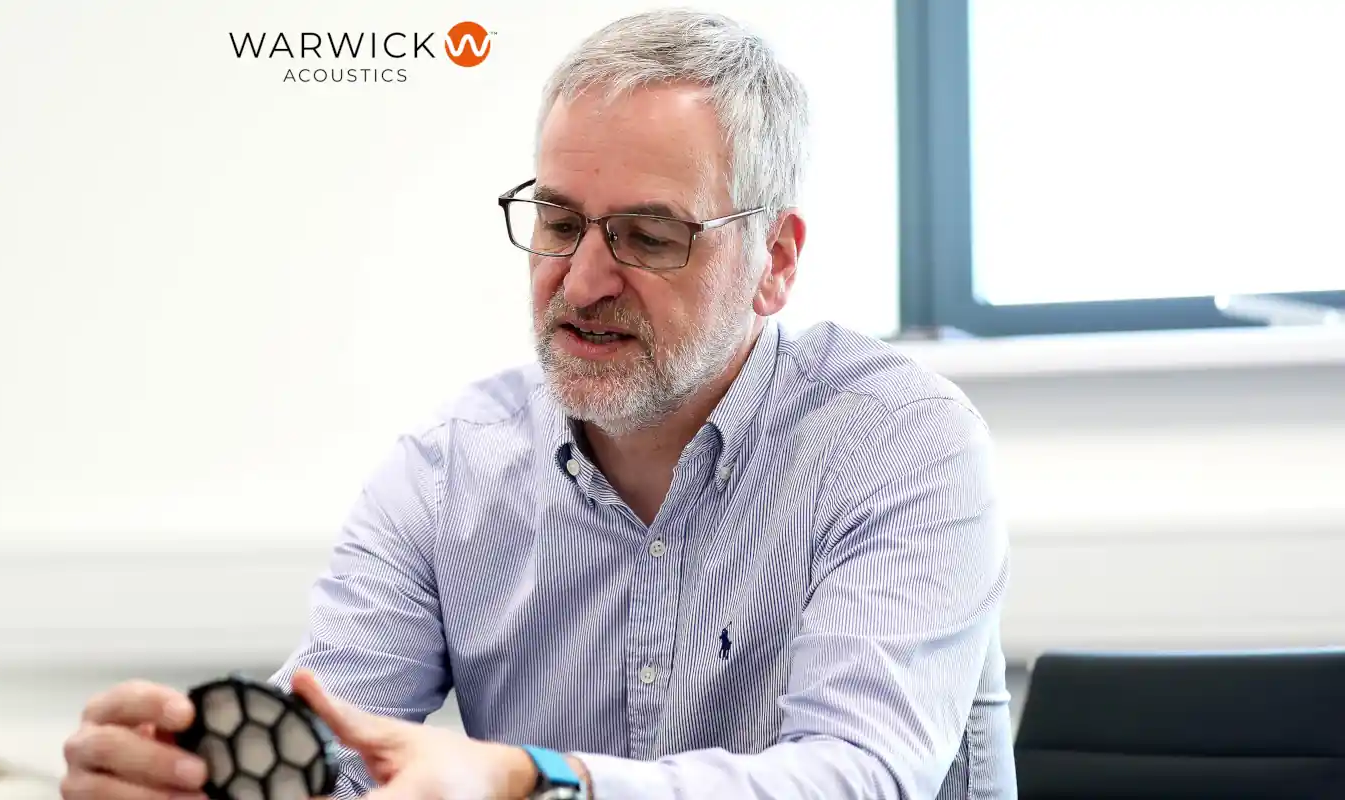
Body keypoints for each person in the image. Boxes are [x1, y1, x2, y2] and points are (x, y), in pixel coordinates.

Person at [59, 9, 1015, 800]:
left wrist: (539, 780)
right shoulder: (447, 472)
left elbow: (860, 775)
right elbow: (331, 754)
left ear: (775, 261)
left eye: (648, 236)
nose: (583, 280)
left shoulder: (898, 443)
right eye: (558, 222)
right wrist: (198, 776)